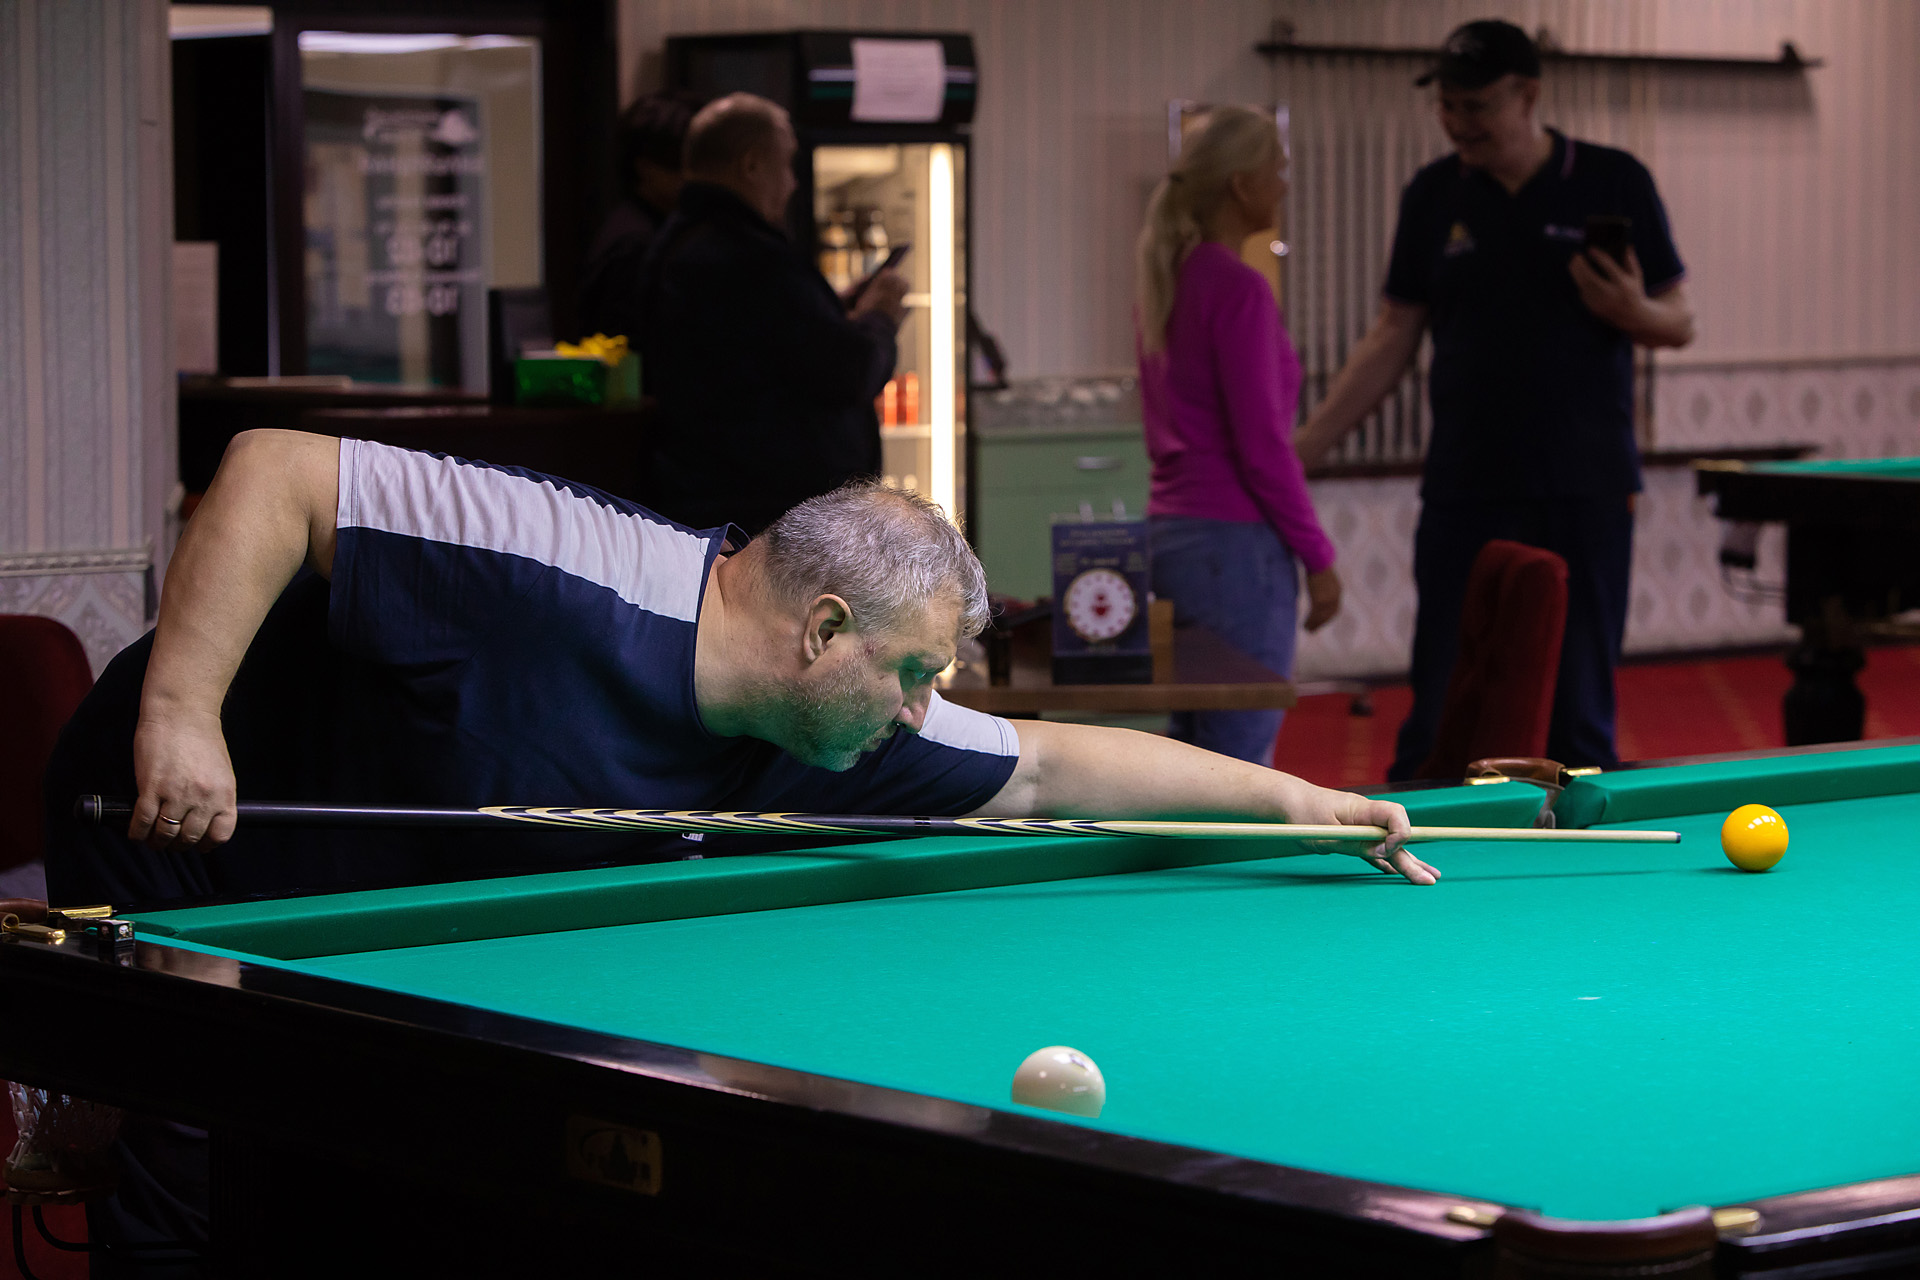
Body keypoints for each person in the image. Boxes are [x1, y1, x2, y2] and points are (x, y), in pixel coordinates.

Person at [44, 428, 1437, 1264]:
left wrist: (1300, 801)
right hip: (180, 818)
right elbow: (273, 472)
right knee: (198, 1145)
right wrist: (180, 714)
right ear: (824, 629)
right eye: (912, 672)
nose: (922, 709)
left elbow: (1049, 764)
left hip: (372, 897)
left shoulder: (834, 719)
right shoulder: (561, 563)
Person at [1293, 19, 1694, 779]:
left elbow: (1680, 321)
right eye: (1446, 105)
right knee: (1445, 693)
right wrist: (1301, 451)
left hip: (1585, 487)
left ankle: (1579, 834)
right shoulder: (1432, 193)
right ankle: (1424, 827)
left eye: (1475, 106)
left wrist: (1632, 311)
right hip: (1466, 485)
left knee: (1579, 705)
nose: (1457, 122)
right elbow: (1393, 336)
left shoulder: (1613, 178)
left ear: (1528, 96)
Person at [1134, 106, 1340, 765]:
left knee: (1193, 758)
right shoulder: (1239, 288)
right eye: (1278, 169)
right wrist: (1319, 558)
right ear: (1242, 184)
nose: (1285, 185)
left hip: (1172, 539)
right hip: (1236, 550)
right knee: (1240, 763)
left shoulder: (1168, 282)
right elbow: (1262, 450)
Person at [636, 92, 908, 535]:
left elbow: (770, 347)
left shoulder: (679, 243)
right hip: (767, 515)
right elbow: (848, 372)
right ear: (751, 165)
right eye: (786, 164)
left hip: (716, 498)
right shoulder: (748, 257)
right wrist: (880, 315)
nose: (793, 183)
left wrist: (835, 311)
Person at [577, 89, 705, 343]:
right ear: (646, 167)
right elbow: (626, 348)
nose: (695, 177)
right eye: (681, 164)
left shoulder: (654, 229)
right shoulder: (635, 243)